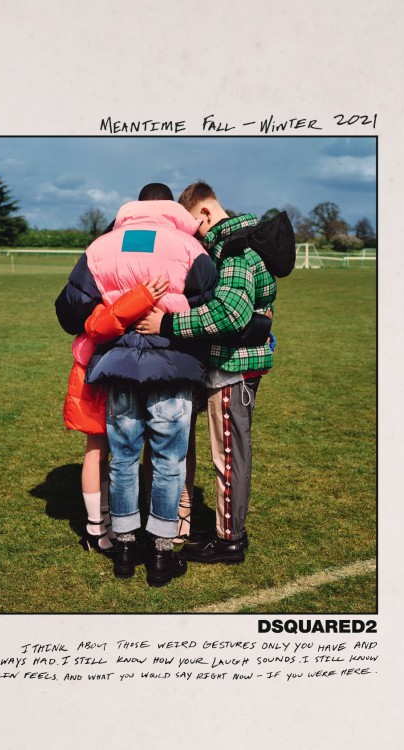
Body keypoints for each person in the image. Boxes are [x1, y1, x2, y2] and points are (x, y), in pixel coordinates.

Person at [55, 183, 217, 585]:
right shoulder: (190, 247)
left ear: (135, 207)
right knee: (168, 461)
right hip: (173, 364)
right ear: (171, 208)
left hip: (119, 366)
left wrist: (119, 309)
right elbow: (209, 306)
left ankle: (125, 547)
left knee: (123, 458)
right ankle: (161, 552)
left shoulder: (102, 246)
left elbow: (70, 309)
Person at [137, 181, 277, 564]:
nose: (192, 235)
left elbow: (229, 314)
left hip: (232, 369)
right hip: (232, 365)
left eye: (192, 225)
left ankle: (228, 540)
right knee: (229, 452)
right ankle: (224, 531)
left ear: (204, 212)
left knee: (228, 455)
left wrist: (167, 323)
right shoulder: (233, 246)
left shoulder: (235, 251)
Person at [62, 275, 169, 554]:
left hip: (106, 373)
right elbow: (105, 323)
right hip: (95, 378)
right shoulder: (97, 296)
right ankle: (94, 527)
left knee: (111, 452)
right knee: (98, 449)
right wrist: (142, 296)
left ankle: (105, 520)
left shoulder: (102, 287)